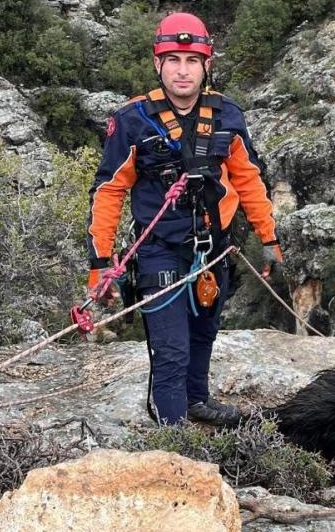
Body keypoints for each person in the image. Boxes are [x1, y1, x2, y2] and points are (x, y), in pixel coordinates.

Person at [85, 12, 282, 427]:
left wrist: (268, 237)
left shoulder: (227, 115)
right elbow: (109, 190)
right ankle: (172, 434)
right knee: (171, 349)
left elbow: (249, 179)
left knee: (203, 334)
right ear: (158, 64)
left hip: (214, 249)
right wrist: (100, 263)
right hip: (159, 252)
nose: (182, 70)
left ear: (207, 64)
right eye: (173, 59)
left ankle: (196, 400)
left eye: (192, 60)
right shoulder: (134, 121)